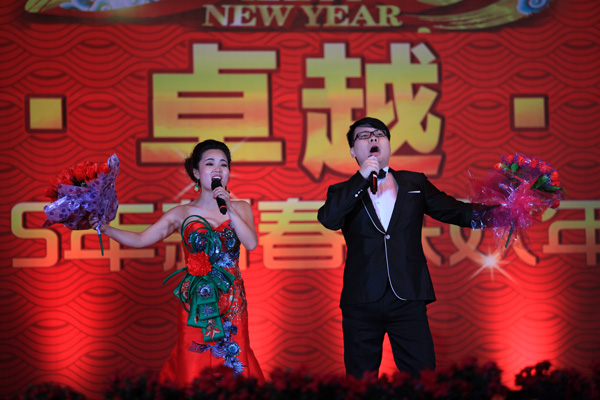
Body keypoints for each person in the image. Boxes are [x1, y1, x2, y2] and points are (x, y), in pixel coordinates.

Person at [317, 117, 487, 379]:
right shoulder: (342, 191)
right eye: (364, 136)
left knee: (422, 377)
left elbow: (456, 211)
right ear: (352, 151)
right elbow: (329, 219)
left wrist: (508, 212)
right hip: (361, 298)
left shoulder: (414, 183)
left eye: (379, 134)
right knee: (360, 381)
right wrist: (361, 178)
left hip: (407, 295)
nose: (373, 138)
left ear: (388, 144)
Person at [90, 139, 264, 386]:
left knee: (234, 359)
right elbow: (140, 239)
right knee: (194, 359)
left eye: (223, 164)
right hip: (197, 301)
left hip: (232, 300)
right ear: (196, 172)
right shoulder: (181, 213)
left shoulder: (240, 208)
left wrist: (229, 207)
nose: (217, 169)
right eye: (210, 163)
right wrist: (105, 228)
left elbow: (251, 243)